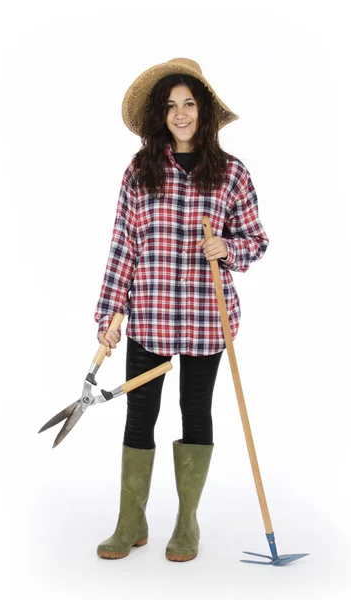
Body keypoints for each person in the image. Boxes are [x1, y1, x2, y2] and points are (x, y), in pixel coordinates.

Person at [93, 58, 269, 562]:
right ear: (160, 115)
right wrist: (110, 315)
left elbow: (256, 241)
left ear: (204, 111)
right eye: (171, 106)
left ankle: (186, 523)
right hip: (148, 316)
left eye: (189, 103)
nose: (181, 113)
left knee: (196, 413)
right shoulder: (139, 170)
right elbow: (123, 247)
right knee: (139, 415)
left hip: (206, 318)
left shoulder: (231, 174)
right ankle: (131, 521)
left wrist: (228, 250)